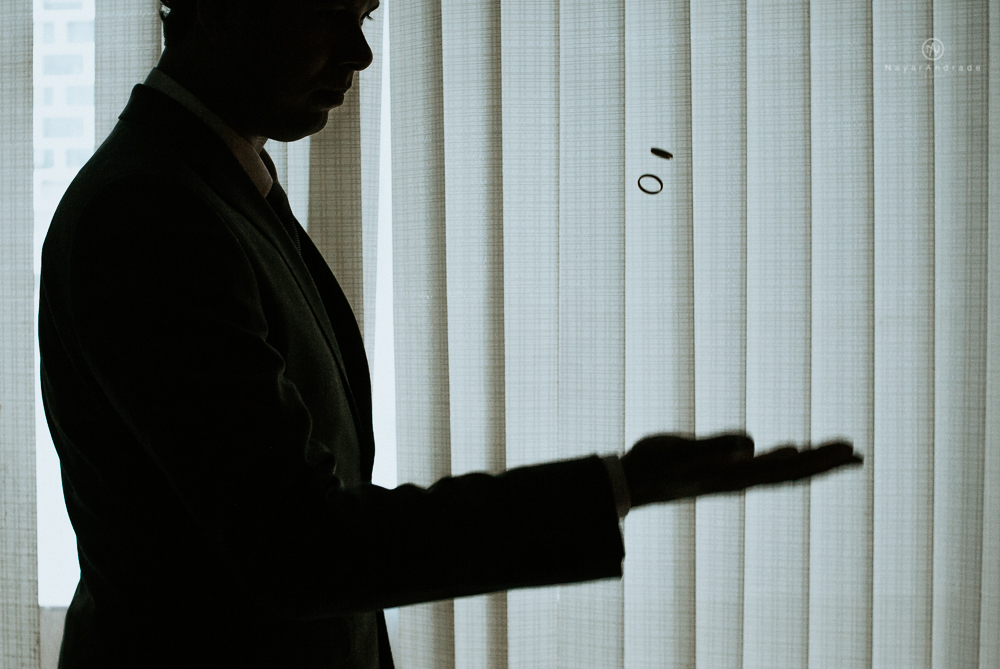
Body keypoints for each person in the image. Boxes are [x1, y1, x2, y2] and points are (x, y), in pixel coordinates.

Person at [37, 1, 862, 667]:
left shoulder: (208, 187)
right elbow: (297, 548)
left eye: (363, 16)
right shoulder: (150, 214)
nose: (359, 56)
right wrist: (618, 483)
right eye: (329, 13)